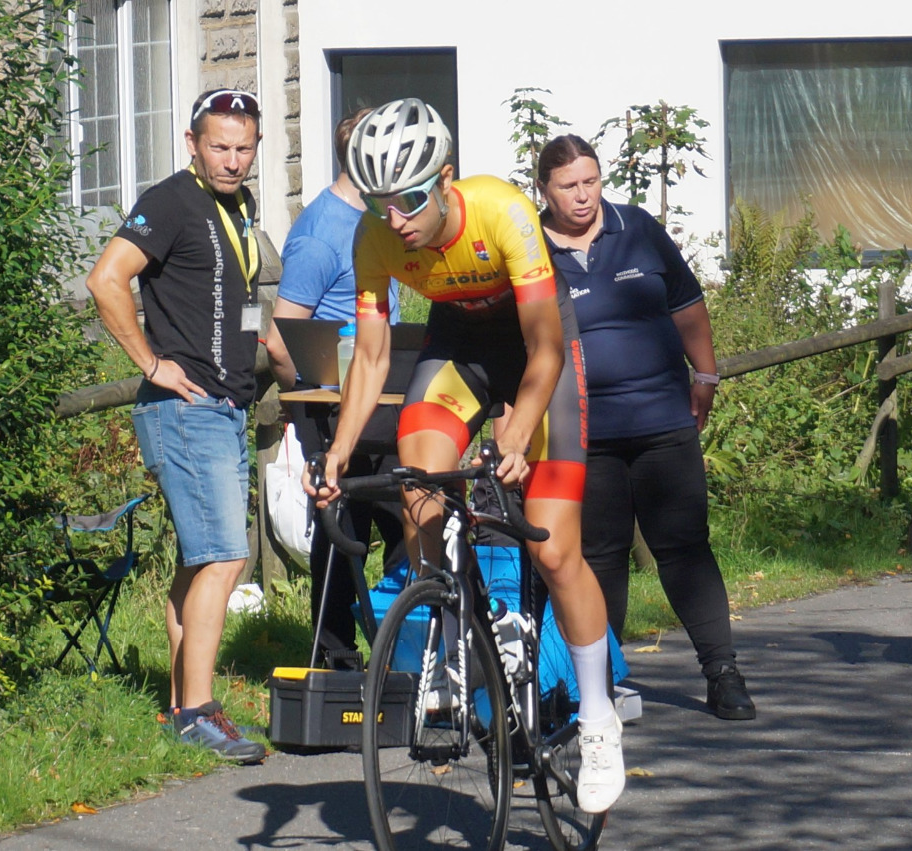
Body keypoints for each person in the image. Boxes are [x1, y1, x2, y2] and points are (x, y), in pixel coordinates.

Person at [306, 98, 625, 813]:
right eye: (381, 202)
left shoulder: (500, 210)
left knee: (554, 549)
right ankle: (453, 638)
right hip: (458, 347)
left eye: (412, 199)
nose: (396, 218)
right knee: (417, 476)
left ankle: (599, 716)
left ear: (445, 179)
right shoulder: (375, 236)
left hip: (536, 349)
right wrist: (340, 452)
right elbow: (372, 356)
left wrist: (516, 432)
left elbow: (545, 346)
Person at [536, 134, 756, 721]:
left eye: (591, 181)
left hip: (662, 418)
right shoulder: (530, 248)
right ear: (545, 190)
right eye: (568, 186)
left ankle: (723, 672)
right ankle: (600, 688)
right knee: (600, 556)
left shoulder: (636, 229)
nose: (583, 196)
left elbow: (687, 305)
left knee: (684, 547)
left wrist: (705, 375)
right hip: (584, 432)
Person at [85, 88, 267, 763]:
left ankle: (180, 706)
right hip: (187, 409)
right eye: (219, 146)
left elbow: (240, 296)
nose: (232, 160)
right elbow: (106, 279)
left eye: (244, 148)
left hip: (227, 405)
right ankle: (197, 712)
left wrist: (269, 347)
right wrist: (151, 362)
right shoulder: (169, 201)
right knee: (224, 557)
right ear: (192, 143)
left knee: (201, 560)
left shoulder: (240, 206)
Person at [264, 108, 406, 669]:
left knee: (407, 520)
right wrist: (304, 404)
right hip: (334, 402)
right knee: (342, 532)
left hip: (386, 397)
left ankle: (405, 652)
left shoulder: (377, 219)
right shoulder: (321, 234)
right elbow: (280, 340)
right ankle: (335, 658)